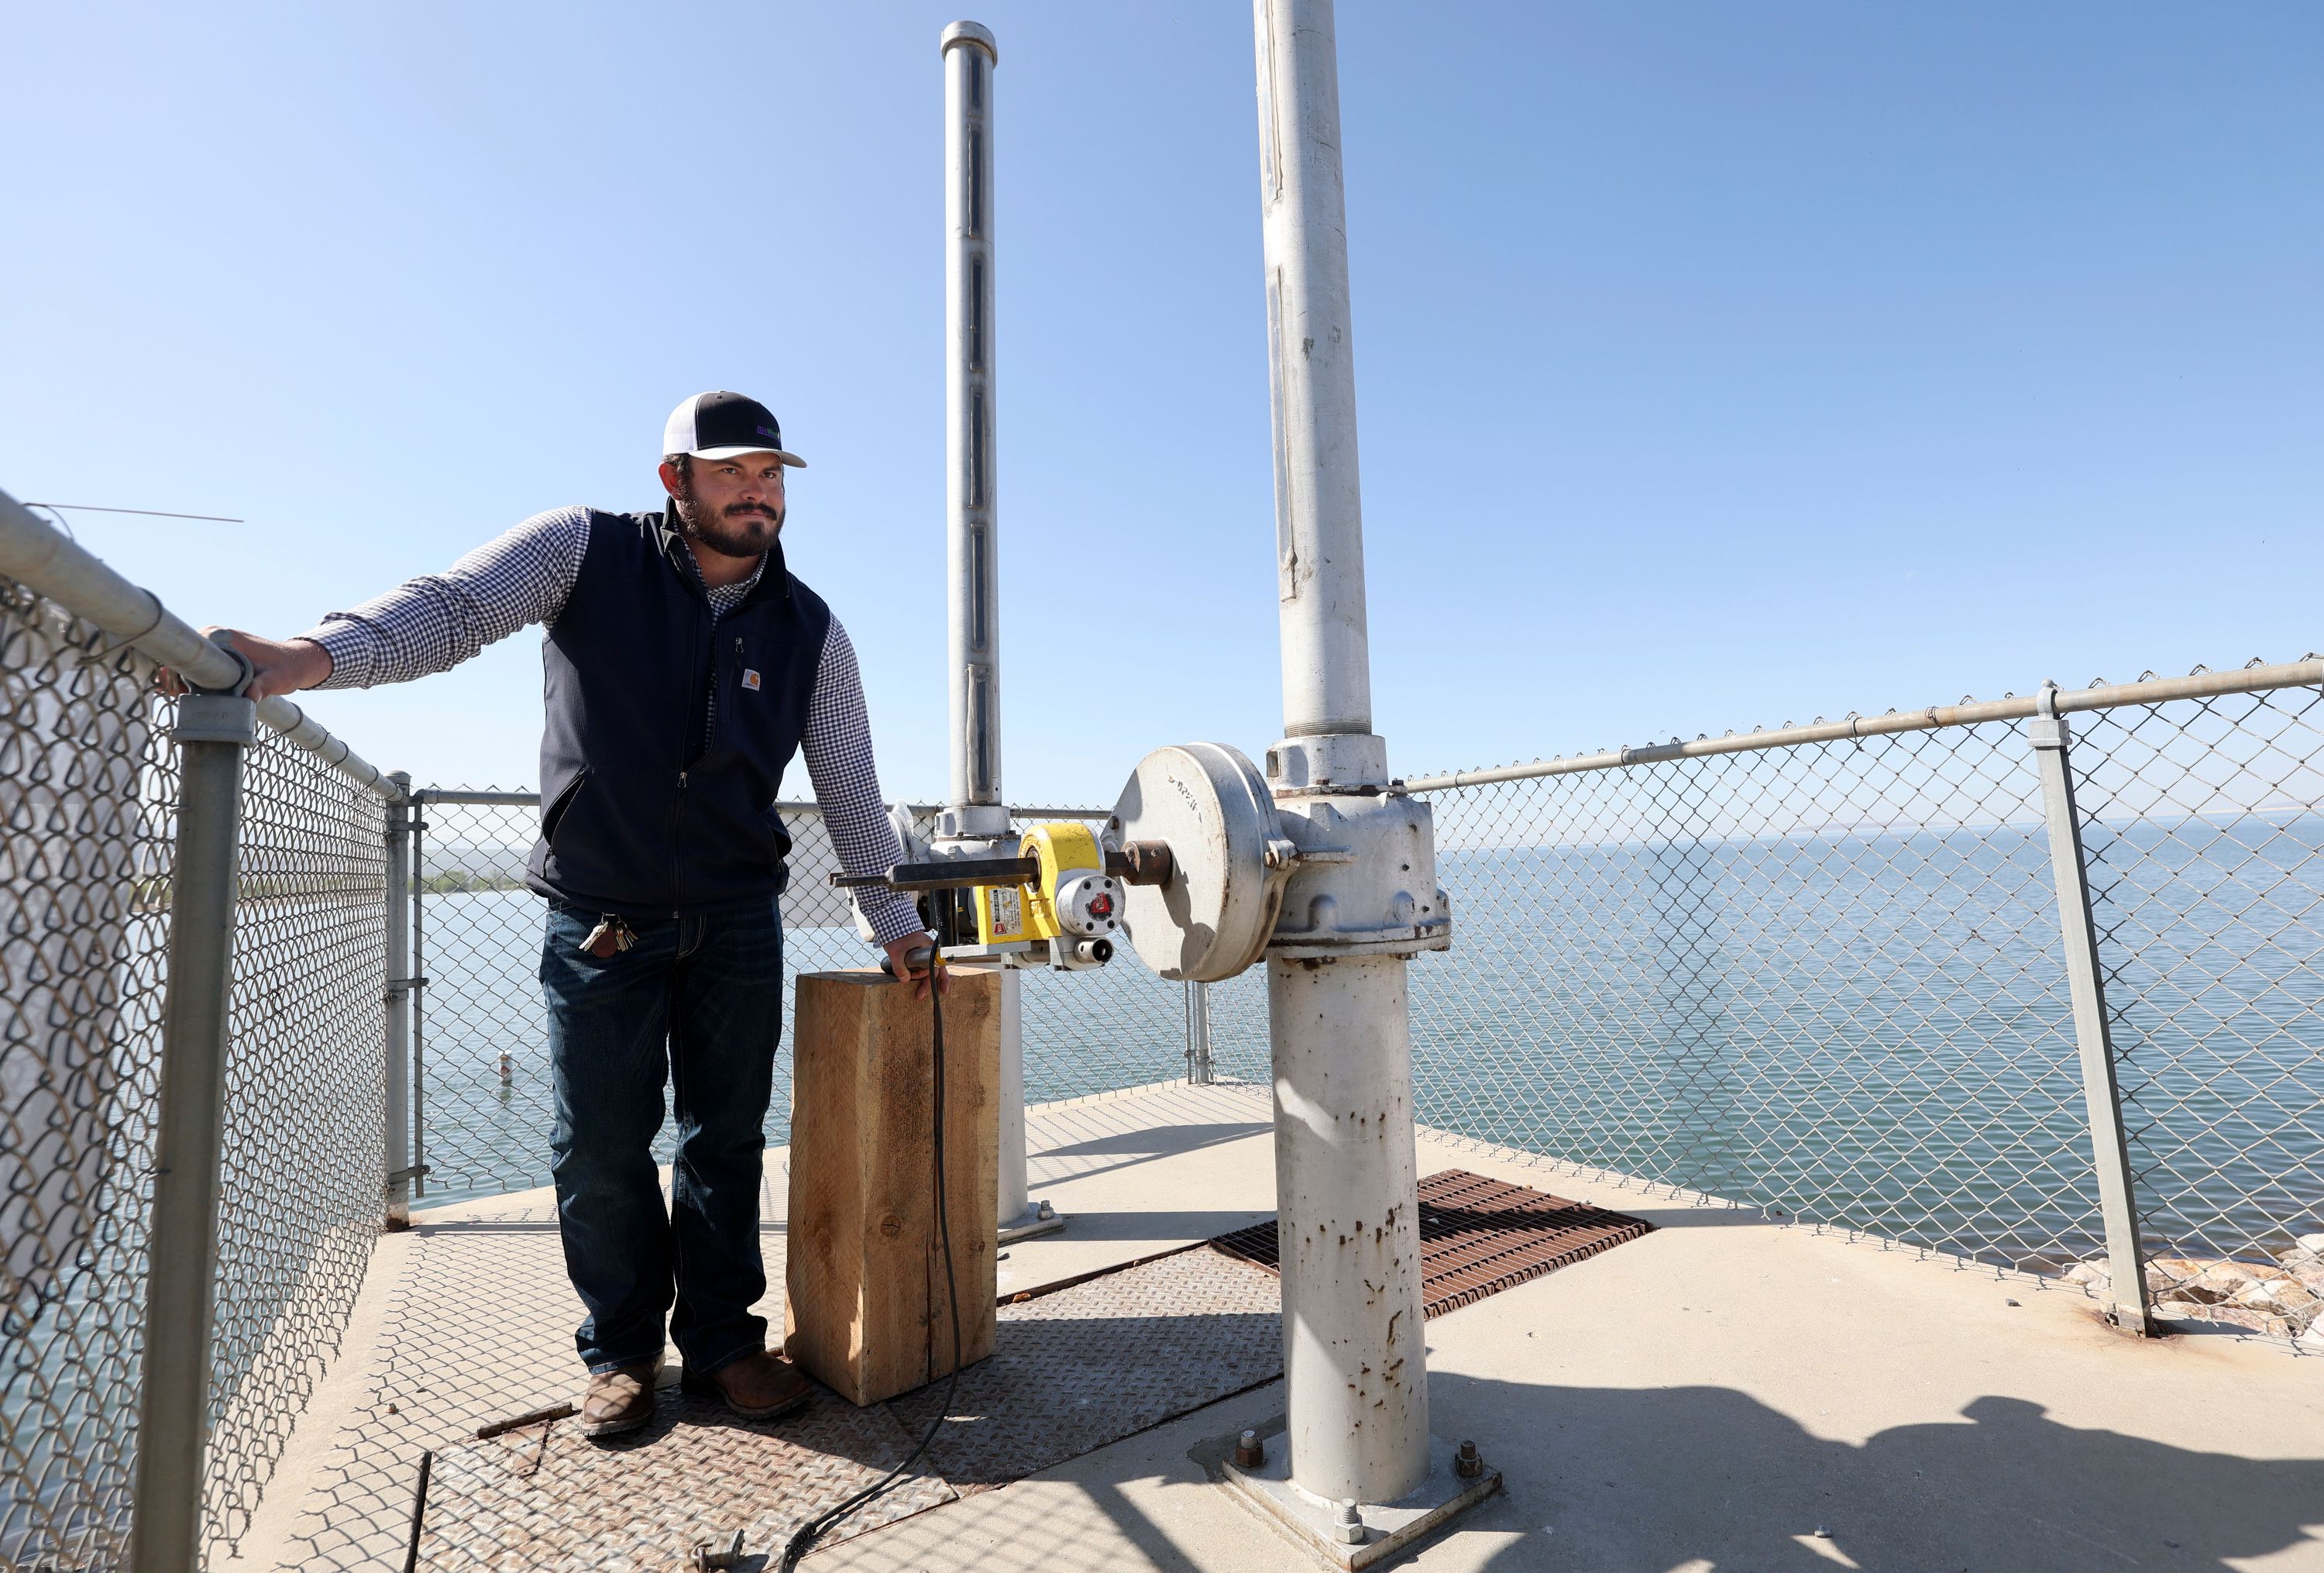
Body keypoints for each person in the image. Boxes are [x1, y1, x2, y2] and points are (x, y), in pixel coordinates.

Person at [187, 391, 940, 1439]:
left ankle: (724, 1340)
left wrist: (897, 920)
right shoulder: (581, 550)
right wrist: (315, 657)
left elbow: (850, 782)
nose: (758, 491)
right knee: (597, 1141)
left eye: (771, 474)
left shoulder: (812, 626)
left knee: (726, 1138)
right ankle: (624, 1350)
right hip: (598, 912)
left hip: (734, 914)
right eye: (731, 471)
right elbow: (449, 610)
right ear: (675, 480)